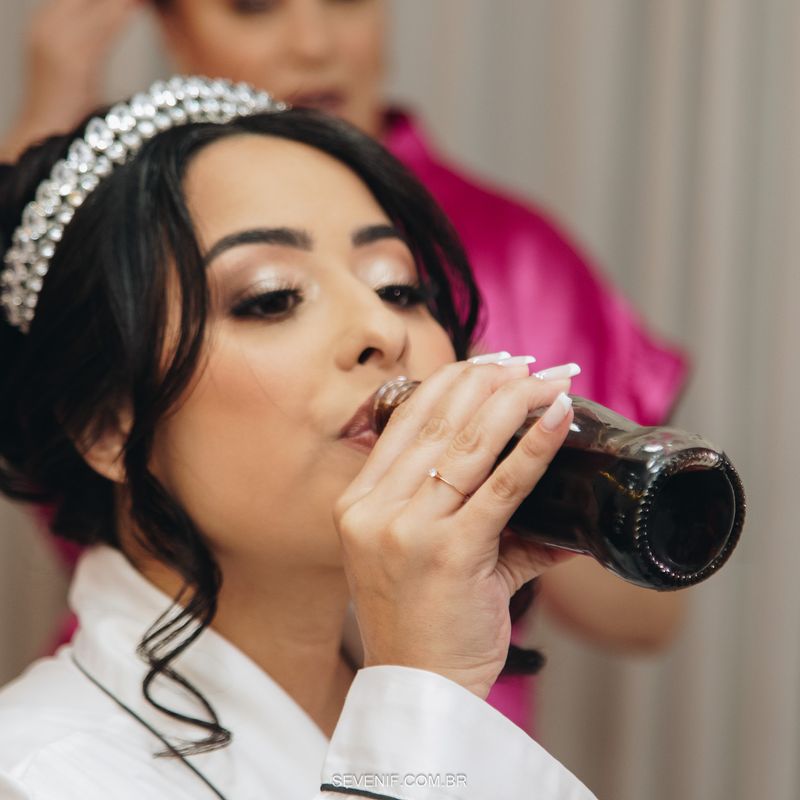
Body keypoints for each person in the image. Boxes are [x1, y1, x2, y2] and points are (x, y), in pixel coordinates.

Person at [0, 0, 688, 730]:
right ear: (106, 423)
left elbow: (648, 618)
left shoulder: (518, 249)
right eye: (269, 299)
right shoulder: (47, 767)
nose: (381, 329)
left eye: (401, 287)